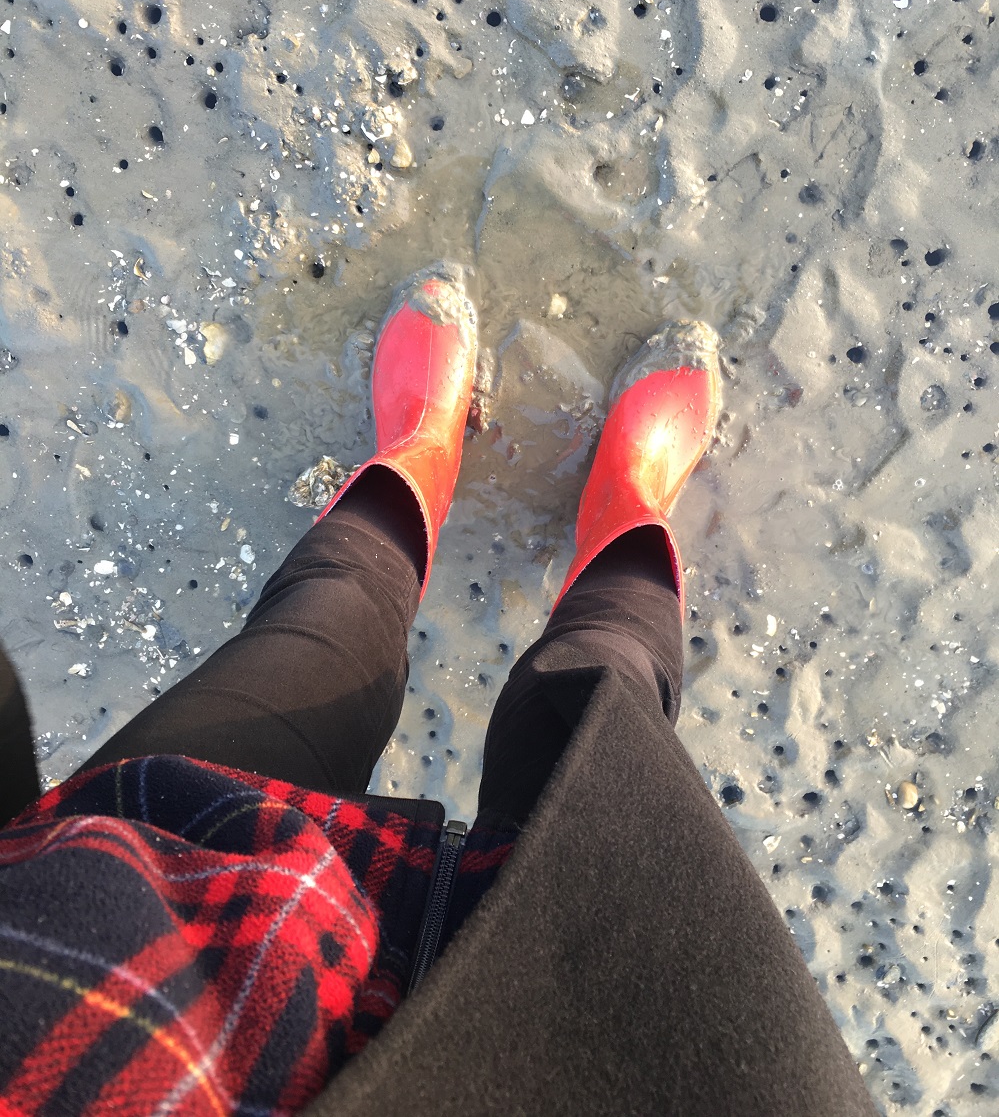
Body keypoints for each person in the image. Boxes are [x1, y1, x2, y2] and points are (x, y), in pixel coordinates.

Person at [0, 263, 876, 1117]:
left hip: (161, 930)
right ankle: (626, 498)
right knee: (605, 687)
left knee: (324, 626)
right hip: (587, 1028)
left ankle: (422, 448)